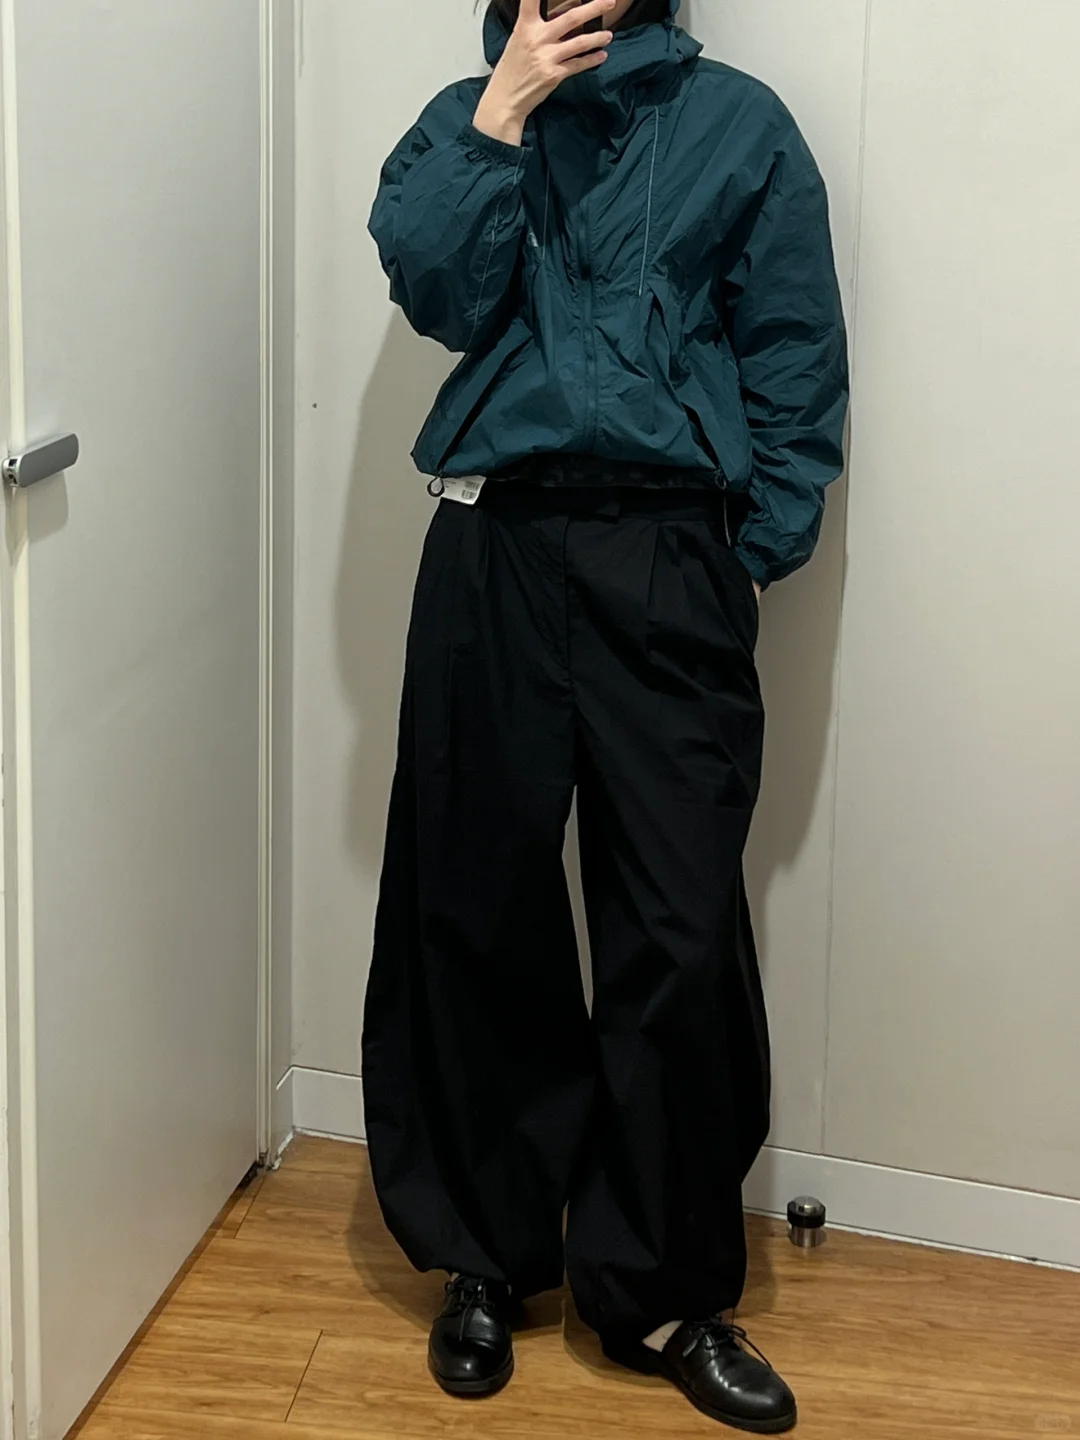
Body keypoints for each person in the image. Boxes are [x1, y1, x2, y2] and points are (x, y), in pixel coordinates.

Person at [361, 0, 849, 1430]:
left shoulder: (740, 126)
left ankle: (665, 1287)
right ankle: (487, 1253)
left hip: (670, 560)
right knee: (475, 905)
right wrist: (499, 116)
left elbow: (795, 351)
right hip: (495, 547)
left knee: (679, 926)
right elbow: (437, 293)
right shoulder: (467, 120)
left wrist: (750, 554)